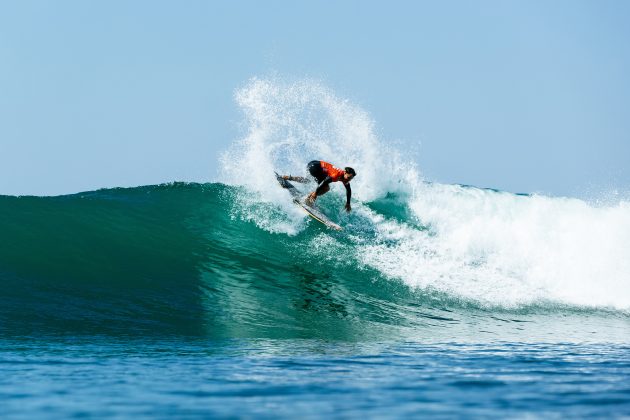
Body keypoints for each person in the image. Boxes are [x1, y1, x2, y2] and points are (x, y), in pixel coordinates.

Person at [283, 160, 356, 212]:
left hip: (313, 164)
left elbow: (348, 190)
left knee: (308, 181)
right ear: (345, 172)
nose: (349, 180)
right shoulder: (336, 175)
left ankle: (289, 177)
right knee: (326, 188)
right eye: (349, 177)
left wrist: (348, 203)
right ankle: (308, 200)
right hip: (315, 167)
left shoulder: (345, 179)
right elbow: (324, 182)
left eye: (351, 179)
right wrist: (315, 193)